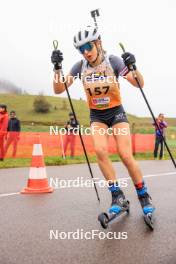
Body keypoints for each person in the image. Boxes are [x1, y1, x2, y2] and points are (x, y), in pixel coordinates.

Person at [51, 26, 155, 216]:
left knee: (124, 154)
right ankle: (117, 196)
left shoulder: (112, 61)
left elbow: (138, 83)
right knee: (99, 150)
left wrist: (134, 66)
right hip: (97, 116)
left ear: (98, 43)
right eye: (81, 49)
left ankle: (143, 195)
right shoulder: (79, 66)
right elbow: (59, 89)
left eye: (88, 47)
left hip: (116, 113)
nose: (86, 52)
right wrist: (57, 68)